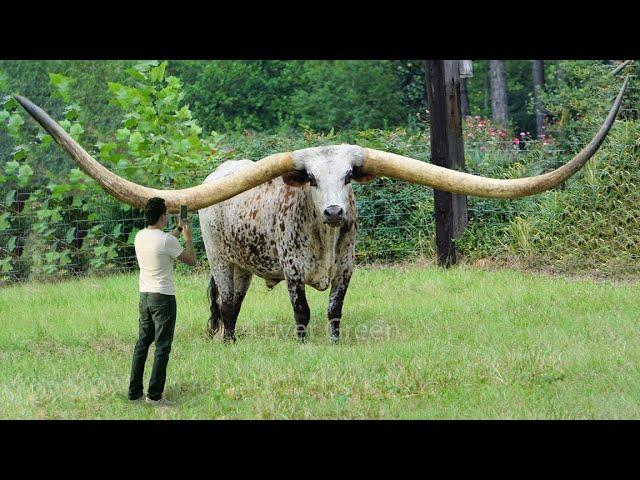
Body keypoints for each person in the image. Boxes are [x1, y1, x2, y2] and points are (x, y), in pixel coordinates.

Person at [127, 197, 197, 406]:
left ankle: (134, 393)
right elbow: (192, 260)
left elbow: (164, 243)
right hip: (163, 299)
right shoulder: (168, 241)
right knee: (162, 347)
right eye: (166, 213)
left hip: (145, 297)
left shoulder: (140, 237)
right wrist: (188, 236)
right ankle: (155, 396)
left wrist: (177, 228)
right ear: (162, 216)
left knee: (142, 344)